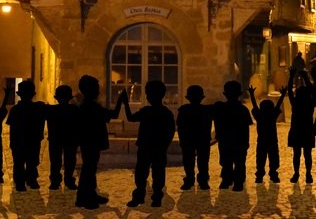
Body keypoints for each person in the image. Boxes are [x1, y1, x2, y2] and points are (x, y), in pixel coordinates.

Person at [75, 75, 125, 210]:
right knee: (89, 169)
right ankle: (85, 198)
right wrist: (120, 100)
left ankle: (88, 194)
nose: (98, 91)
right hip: (91, 141)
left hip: (88, 141)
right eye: (96, 89)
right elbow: (113, 114)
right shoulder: (91, 107)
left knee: (90, 167)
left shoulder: (87, 105)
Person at [123, 80, 176, 208]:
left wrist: (125, 103)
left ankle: (140, 196)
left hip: (145, 147)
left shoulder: (146, 111)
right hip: (158, 148)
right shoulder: (166, 113)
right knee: (158, 172)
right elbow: (170, 131)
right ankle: (156, 197)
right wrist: (164, 145)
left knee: (141, 172)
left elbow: (130, 118)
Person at [213, 80, 254, 191]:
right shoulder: (243, 110)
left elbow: (217, 122)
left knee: (226, 161)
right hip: (239, 141)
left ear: (225, 94)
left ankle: (227, 180)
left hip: (225, 140)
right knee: (239, 162)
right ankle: (238, 182)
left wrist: (218, 135)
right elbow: (247, 126)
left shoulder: (220, 109)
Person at [6, 79, 46, 191]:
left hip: (19, 141)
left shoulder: (15, 109)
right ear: (33, 94)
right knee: (32, 161)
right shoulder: (38, 108)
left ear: (19, 95)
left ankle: (20, 183)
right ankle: (31, 180)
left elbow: (12, 126)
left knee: (19, 162)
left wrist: (12, 142)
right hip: (33, 140)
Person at [176, 85, 214, 190]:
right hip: (203, 139)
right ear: (202, 97)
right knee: (203, 161)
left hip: (188, 139)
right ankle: (203, 181)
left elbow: (180, 126)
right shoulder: (207, 110)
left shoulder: (183, 110)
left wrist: (181, 139)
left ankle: (189, 179)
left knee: (189, 161)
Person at [249, 84, 287, 183]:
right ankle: (273, 174)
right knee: (274, 158)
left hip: (261, 141)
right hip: (272, 140)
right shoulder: (272, 115)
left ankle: (260, 175)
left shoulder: (259, 116)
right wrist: (282, 95)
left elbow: (254, 106)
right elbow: (278, 105)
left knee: (260, 158)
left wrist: (252, 94)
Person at [46, 84, 80, 191]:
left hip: (55, 139)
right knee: (70, 161)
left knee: (55, 161)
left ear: (56, 98)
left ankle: (55, 181)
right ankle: (68, 180)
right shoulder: (74, 109)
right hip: (70, 139)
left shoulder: (51, 110)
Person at [286, 69, 316, 184]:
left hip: (296, 130)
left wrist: (291, 76)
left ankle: (296, 173)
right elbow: (313, 91)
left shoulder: (295, 103)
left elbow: (289, 91)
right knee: (307, 154)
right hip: (308, 130)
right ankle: (308, 173)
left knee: (296, 154)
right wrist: (306, 78)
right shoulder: (310, 103)